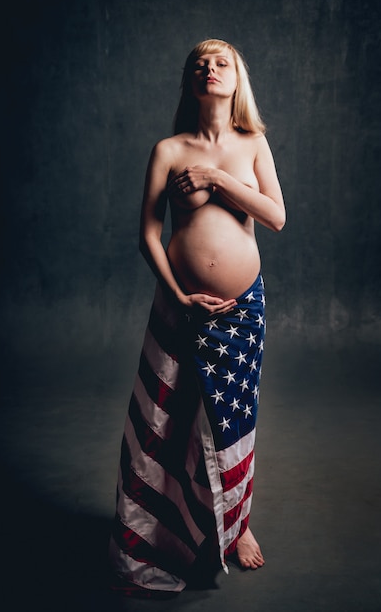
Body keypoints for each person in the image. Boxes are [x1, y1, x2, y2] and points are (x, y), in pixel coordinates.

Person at [109, 38, 285, 597]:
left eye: (221, 62)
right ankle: (163, 529)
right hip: (181, 307)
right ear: (190, 82)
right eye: (199, 64)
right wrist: (180, 297)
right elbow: (148, 235)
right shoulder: (167, 149)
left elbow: (277, 217)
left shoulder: (253, 144)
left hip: (241, 311)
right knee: (175, 415)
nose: (209, 69)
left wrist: (219, 180)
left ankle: (238, 526)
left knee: (232, 419)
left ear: (238, 80)